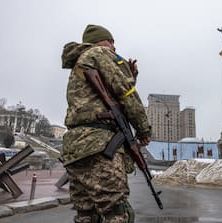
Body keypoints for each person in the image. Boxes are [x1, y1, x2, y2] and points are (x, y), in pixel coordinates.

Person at [61, 24, 152, 223]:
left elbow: (105, 96)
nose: (113, 46)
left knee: (86, 214)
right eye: (110, 41)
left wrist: (130, 77)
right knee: (116, 213)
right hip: (99, 146)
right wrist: (144, 130)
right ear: (101, 41)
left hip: (75, 149)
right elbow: (126, 95)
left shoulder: (80, 62)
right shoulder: (99, 53)